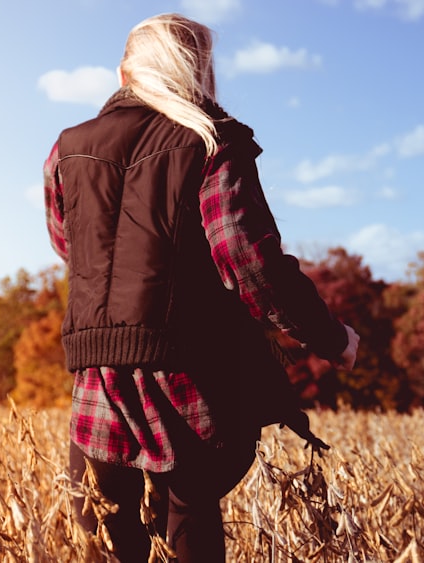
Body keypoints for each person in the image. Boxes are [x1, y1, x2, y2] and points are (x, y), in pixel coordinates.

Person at [42, 13, 360, 562]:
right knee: (186, 520)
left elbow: (70, 246)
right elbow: (249, 262)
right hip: (182, 369)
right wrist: (331, 337)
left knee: (108, 536)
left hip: (95, 370)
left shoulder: (67, 149)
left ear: (124, 72)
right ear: (200, 74)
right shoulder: (211, 140)